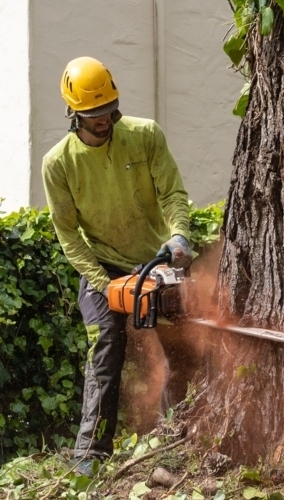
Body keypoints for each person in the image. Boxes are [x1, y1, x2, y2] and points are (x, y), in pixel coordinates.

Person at [42, 56, 192, 477]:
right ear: (74, 114)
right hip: (102, 267)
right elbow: (69, 236)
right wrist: (103, 284)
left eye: (107, 111)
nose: (102, 121)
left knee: (181, 347)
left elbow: (173, 195)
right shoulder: (58, 164)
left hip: (157, 261)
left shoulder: (144, 136)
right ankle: (89, 455)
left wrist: (178, 235)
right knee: (106, 344)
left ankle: (174, 437)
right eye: (93, 116)